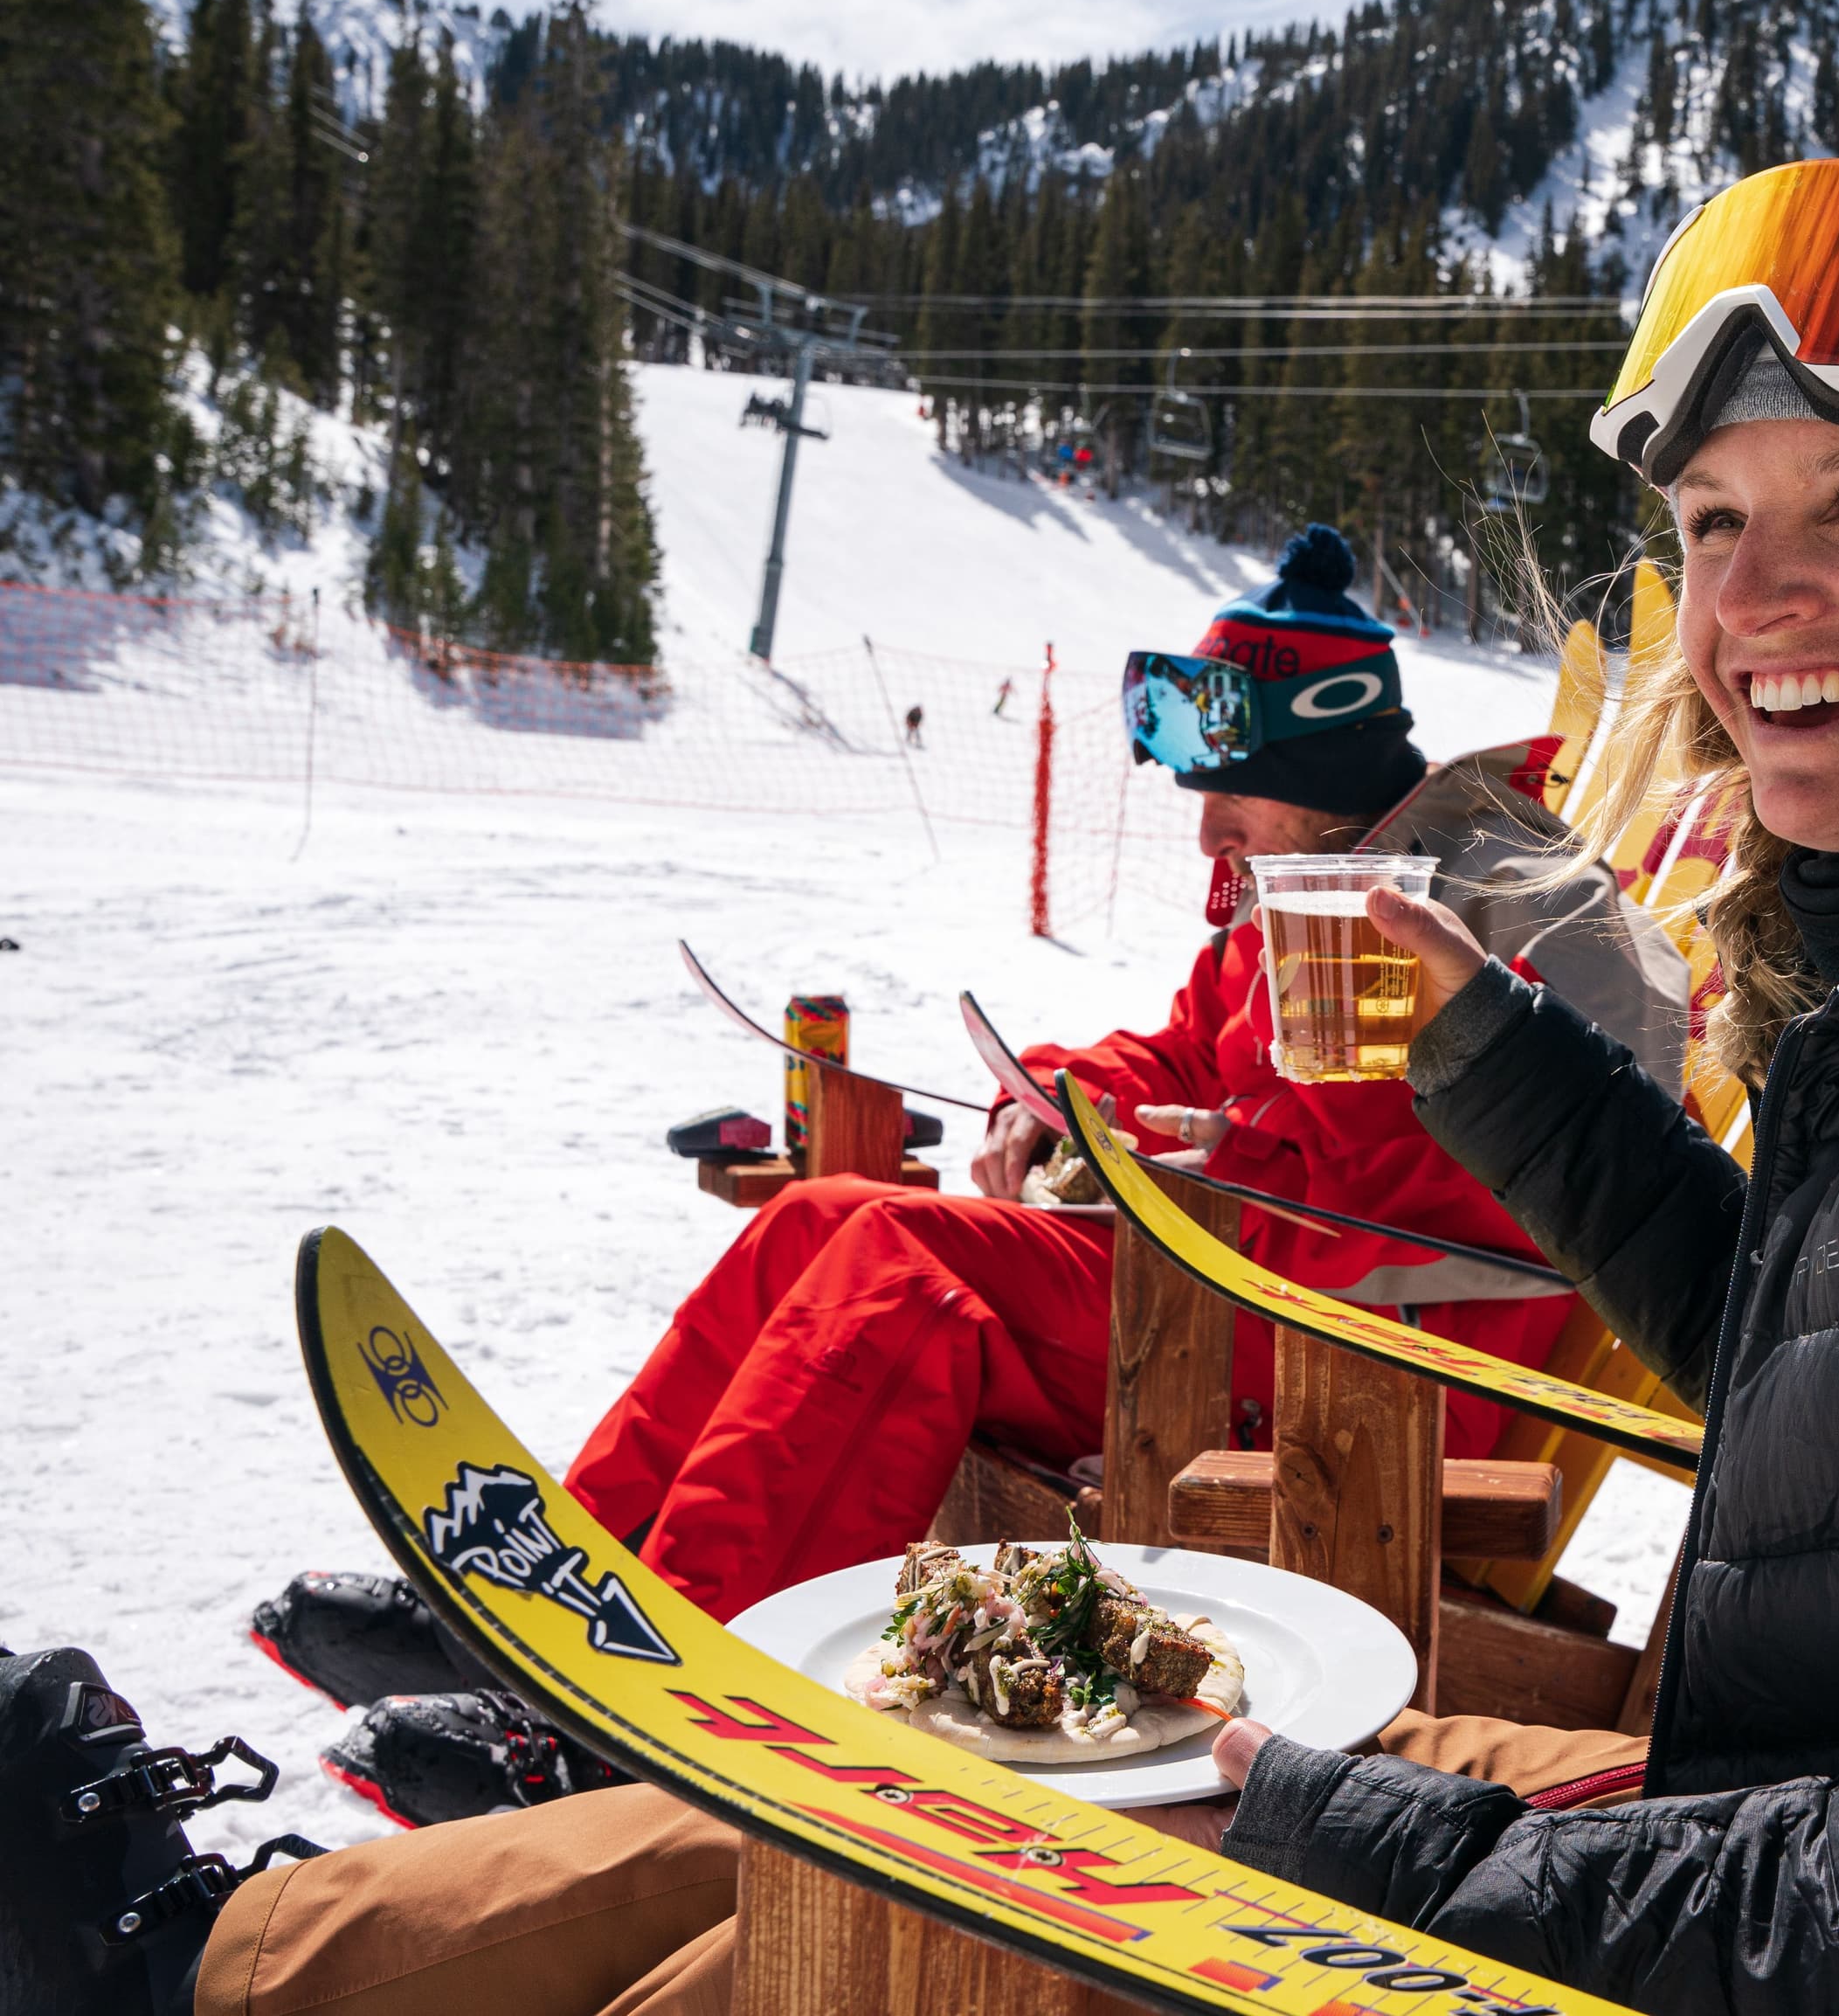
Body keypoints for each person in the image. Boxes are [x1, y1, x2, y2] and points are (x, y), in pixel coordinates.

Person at [153, 165, 1839, 2014]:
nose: (1752, 608)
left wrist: (1355, 1848)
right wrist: (1476, 1038)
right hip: (1824, 1831)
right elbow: (1817, 1346)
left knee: (1020, 1880)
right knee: (971, 1766)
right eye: (1717, 522)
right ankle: (248, 1960)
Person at [251, 524, 1688, 1827]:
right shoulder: (1329, 868)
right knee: (820, 1217)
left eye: (1230, 803)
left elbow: (1424, 1179)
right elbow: (1194, 1049)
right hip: (1235, 1285)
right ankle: (546, 1598)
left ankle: (636, 1719)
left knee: (907, 1276)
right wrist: (1070, 1088)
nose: (1204, 835)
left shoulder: (1475, 895)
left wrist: (1181, 1156)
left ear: (1310, 772)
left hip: (1356, 1366)